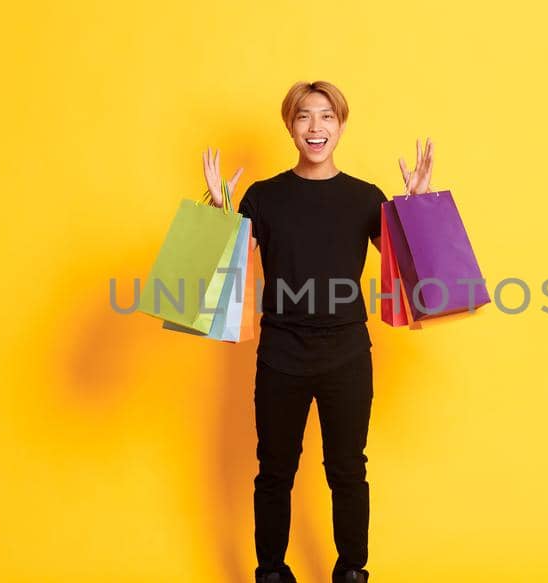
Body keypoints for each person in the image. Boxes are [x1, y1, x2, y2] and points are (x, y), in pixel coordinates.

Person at [202, 80, 435, 583]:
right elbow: (224, 273)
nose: (316, 127)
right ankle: (270, 573)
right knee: (274, 471)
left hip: (347, 355)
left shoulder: (365, 198)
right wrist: (216, 212)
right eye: (305, 116)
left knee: (348, 470)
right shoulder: (263, 197)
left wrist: (418, 207)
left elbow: (413, 268)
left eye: (327, 116)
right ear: (290, 126)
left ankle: (352, 571)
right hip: (281, 355)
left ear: (341, 126)